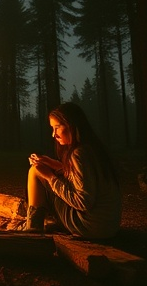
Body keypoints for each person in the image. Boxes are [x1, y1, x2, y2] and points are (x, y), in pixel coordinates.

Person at [22, 102, 121, 239]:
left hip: (90, 226)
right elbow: (81, 177)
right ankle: (45, 222)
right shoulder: (91, 148)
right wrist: (50, 162)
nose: (53, 135)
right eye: (52, 128)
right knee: (40, 169)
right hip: (107, 226)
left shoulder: (79, 153)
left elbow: (82, 201)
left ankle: (33, 228)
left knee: (35, 170)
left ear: (72, 126)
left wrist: (50, 177)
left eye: (57, 128)